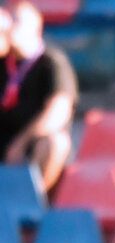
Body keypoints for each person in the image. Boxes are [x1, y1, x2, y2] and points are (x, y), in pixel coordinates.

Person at [0, 1, 76, 192]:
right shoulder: (4, 63)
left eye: (16, 21)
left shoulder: (51, 63)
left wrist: (21, 142)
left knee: (55, 143)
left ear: (35, 27)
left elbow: (57, 114)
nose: (10, 28)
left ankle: (32, 205)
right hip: (4, 138)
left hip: (29, 145)